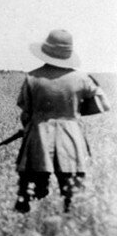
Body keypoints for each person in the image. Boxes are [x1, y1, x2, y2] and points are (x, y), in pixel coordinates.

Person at [14, 29, 109, 214]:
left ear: (46, 52)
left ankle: (26, 227)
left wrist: (31, 127)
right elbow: (102, 103)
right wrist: (74, 113)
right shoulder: (82, 78)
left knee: (27, 193)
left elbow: (26, 113)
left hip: (37, 139)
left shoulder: (32, 77)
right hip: (71, 139)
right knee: (73, 194)